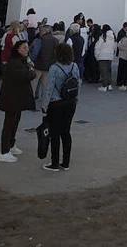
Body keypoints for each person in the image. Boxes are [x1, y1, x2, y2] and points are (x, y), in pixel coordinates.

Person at [37, 43, 80, 172]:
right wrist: (76, 99)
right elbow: (78, 83)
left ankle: (55, 163)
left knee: (54, 133)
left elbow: (48, 89)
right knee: (66, 132)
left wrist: (44, 106)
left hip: (56, 103)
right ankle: (65, 162)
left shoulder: (54, 68)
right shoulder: (74, 66)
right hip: (70, 102)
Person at [0, 40, 35, 163]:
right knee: (9, 124)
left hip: (17, 98)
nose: (26, 50)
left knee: (15, 122)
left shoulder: (21, 61)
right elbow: (25, 75)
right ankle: (4, 151)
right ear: (17, 49)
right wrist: (31, 71)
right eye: (24, 48)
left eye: (27, 48)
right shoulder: (14, 63)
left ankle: (11, 145)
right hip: (11, 98)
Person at [95, 25, 116, 91]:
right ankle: (109, 85)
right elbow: (114, 47)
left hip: (102, 56)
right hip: (110, 56)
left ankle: (104, 86)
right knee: (108, 71)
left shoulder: (102, 37)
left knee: (103, 71)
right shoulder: (113, 37)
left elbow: (97, 47)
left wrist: (96, 55)